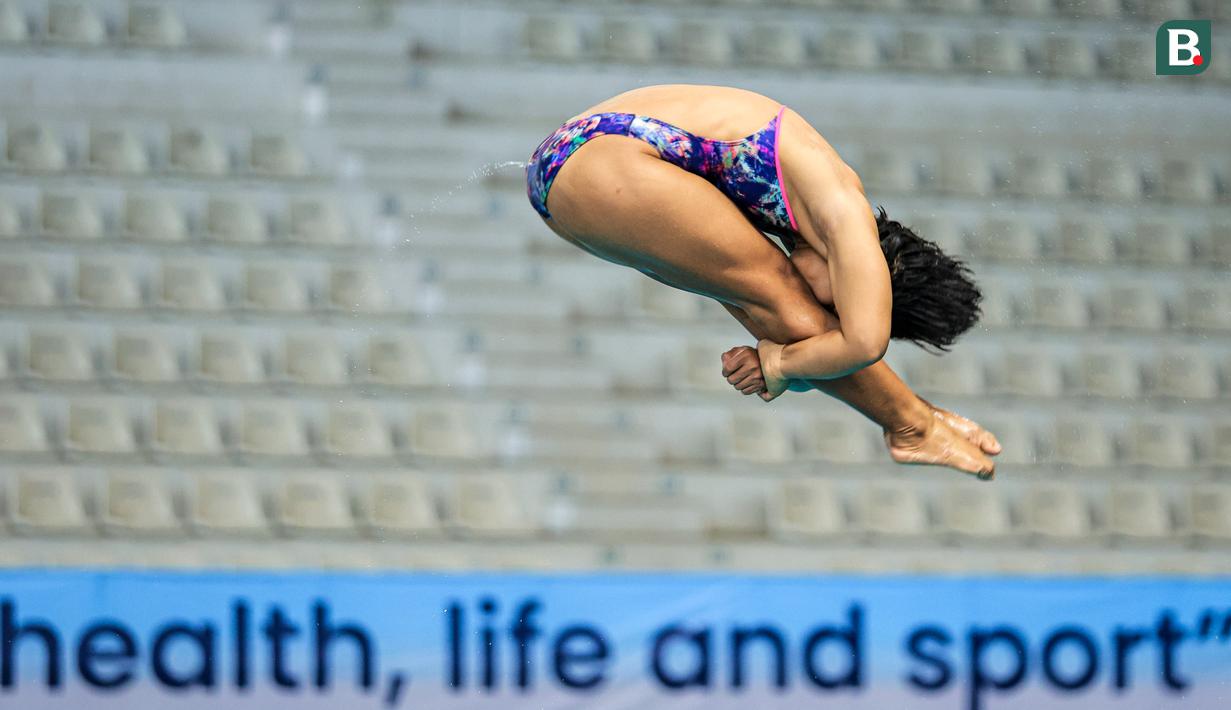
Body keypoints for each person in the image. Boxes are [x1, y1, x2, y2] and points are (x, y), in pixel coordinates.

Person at [525, 84, 1000, 478]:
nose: (824, 308)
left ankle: (915, 418)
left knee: (785, 310)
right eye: (836, 305)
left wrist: (781, 362)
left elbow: (783, 325)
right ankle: (914, 425)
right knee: (791, 306)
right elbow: (864, 343)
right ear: (874, 271)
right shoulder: (846, 216)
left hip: (578, 160)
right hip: (603, 160)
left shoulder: (801, 214)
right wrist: (781, 364)